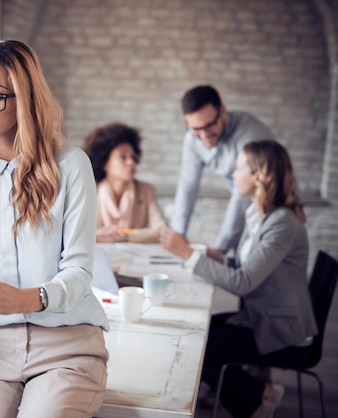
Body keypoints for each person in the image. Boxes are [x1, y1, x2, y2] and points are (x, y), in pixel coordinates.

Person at [0, 40, 110, 418]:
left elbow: (79, 273)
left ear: (25, 100)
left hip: (66, 346)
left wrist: (29, 298)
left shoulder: (71, 166)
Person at [160, 139, 317, 418]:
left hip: (281, 329)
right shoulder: (259, 213)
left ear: (257, 175)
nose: (233, 175)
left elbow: (242, 281)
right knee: (198, 332)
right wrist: (208, 253)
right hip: (260, 314)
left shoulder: (282, 222)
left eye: (238, 168)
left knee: (199, 348)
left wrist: (187, 254)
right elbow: (244, 264)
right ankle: (257, 395)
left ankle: (259, 400)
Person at [169, 85, 274, 255]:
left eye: (209, 125)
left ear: (223, 111)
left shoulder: (250, 135)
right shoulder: (192, 138)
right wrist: (176, 235)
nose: (204, 135)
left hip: (271, 210)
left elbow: (242, 198)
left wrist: (219, 249)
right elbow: (188, 184)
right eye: (196, 129)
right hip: (247, 206)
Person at [83, 122, 166, 243]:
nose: (131, 162)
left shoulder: (146, 190)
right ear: (105, 162)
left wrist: (124, 235)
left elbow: (161, 230)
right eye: (123, 157)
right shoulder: (89, 192)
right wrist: (97, 234)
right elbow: (77, 233)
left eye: (133, 157)